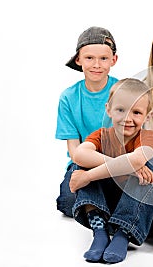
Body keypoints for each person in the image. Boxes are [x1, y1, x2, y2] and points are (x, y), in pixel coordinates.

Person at [68, 78, 153, 263]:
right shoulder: (102, 135)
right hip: (108, 205)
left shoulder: (147, 136)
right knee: (80, 165)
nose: (127, 118)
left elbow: (137, 159)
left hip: (141, 211)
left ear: (147, 116)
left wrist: (89, 176)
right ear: (109, 109)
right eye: (121, 110)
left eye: (136, 112)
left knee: (152, 166)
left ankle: (123, 234)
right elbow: (79, 154)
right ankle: (99, 230)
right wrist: (128, 168)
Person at [55, 26, 119, 217]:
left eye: (104, 58)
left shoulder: (123, 90)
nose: (96, 65)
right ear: (78, 59)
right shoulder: (68, 97)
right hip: (84, 161)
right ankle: (100, 205)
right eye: (89, 58)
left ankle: (95, 206)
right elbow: (75, 152)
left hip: (118, 161)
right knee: (67, 201)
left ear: (113, 60)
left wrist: (117, 167)